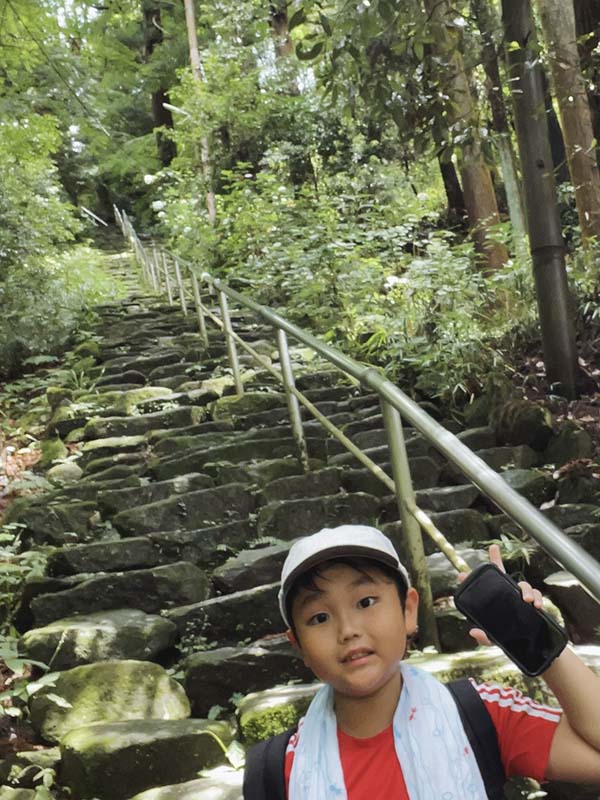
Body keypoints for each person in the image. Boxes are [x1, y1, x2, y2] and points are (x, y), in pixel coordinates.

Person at [245, 524, 600, 799]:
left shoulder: (478, 714)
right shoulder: (277, 771)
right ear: (299, 646)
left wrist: (541, 644)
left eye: (366, 602)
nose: (348, 630)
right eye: (319, 618)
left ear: (408, 610)